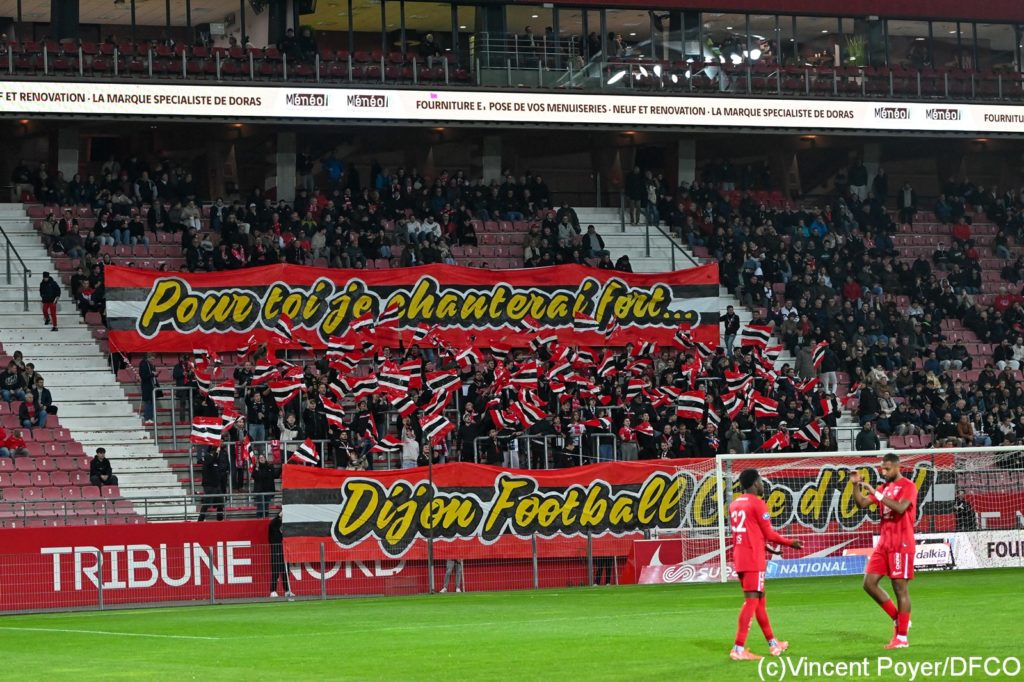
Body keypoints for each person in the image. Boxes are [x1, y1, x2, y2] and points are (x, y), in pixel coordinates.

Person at [728, 468, 802, 661]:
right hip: (753, 558)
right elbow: (768, 533)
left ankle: (773, 644)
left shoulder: (735, 504)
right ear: (753, 483)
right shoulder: (758, 504)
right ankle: (738, 648)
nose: (762, 484)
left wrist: (767, 548)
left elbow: (748, 532)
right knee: (752, 601)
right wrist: (789, 543)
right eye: (760, 481)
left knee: (759, 601)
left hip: (740, 556)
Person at [851, 453, 917, 649]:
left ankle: (902, 638)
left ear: (898, 467)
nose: (884, 471)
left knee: (899, 588)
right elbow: (861, 503)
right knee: (869, 584)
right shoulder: (884, 487)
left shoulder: (908, 486)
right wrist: (855, 485)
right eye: (882, 468)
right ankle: (899, 619)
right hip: (884, 543)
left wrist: (878, 494)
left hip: (901, 543)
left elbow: (900, 508)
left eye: (887, 468)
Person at [268, 510, 294, 599]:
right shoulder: (274, 525)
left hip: (284, 550)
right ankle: (273, 591)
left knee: (285, 571)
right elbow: (272, 524)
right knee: (275, 570)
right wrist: (278, 516)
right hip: (276, 549)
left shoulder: (286, 526)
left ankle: (287, 590)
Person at [252, 453, 276, 519]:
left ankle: (265, 517)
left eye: (262, 457)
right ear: (258, 460)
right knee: (260, 505)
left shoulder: (269, 466)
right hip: (259, 490)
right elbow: (254, 476)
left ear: (265, 459)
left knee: (266, 505)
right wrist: (256, 469)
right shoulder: (256, 467)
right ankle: (259, 518)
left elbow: (274, 475)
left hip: (267, 489)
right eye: (260, 458)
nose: (261, 459)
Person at [139, 353, 157, 425]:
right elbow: (143, 376)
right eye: (152, 359)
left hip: (152, 385)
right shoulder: (143, 364)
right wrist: (153, 374)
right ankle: (147, 418)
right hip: (146, 386)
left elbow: (151, 374)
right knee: (148, 402)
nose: (153, 361)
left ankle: (150, 417)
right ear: (148, 358)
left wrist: (155, 374)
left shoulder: (151, 365)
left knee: (151, 402)